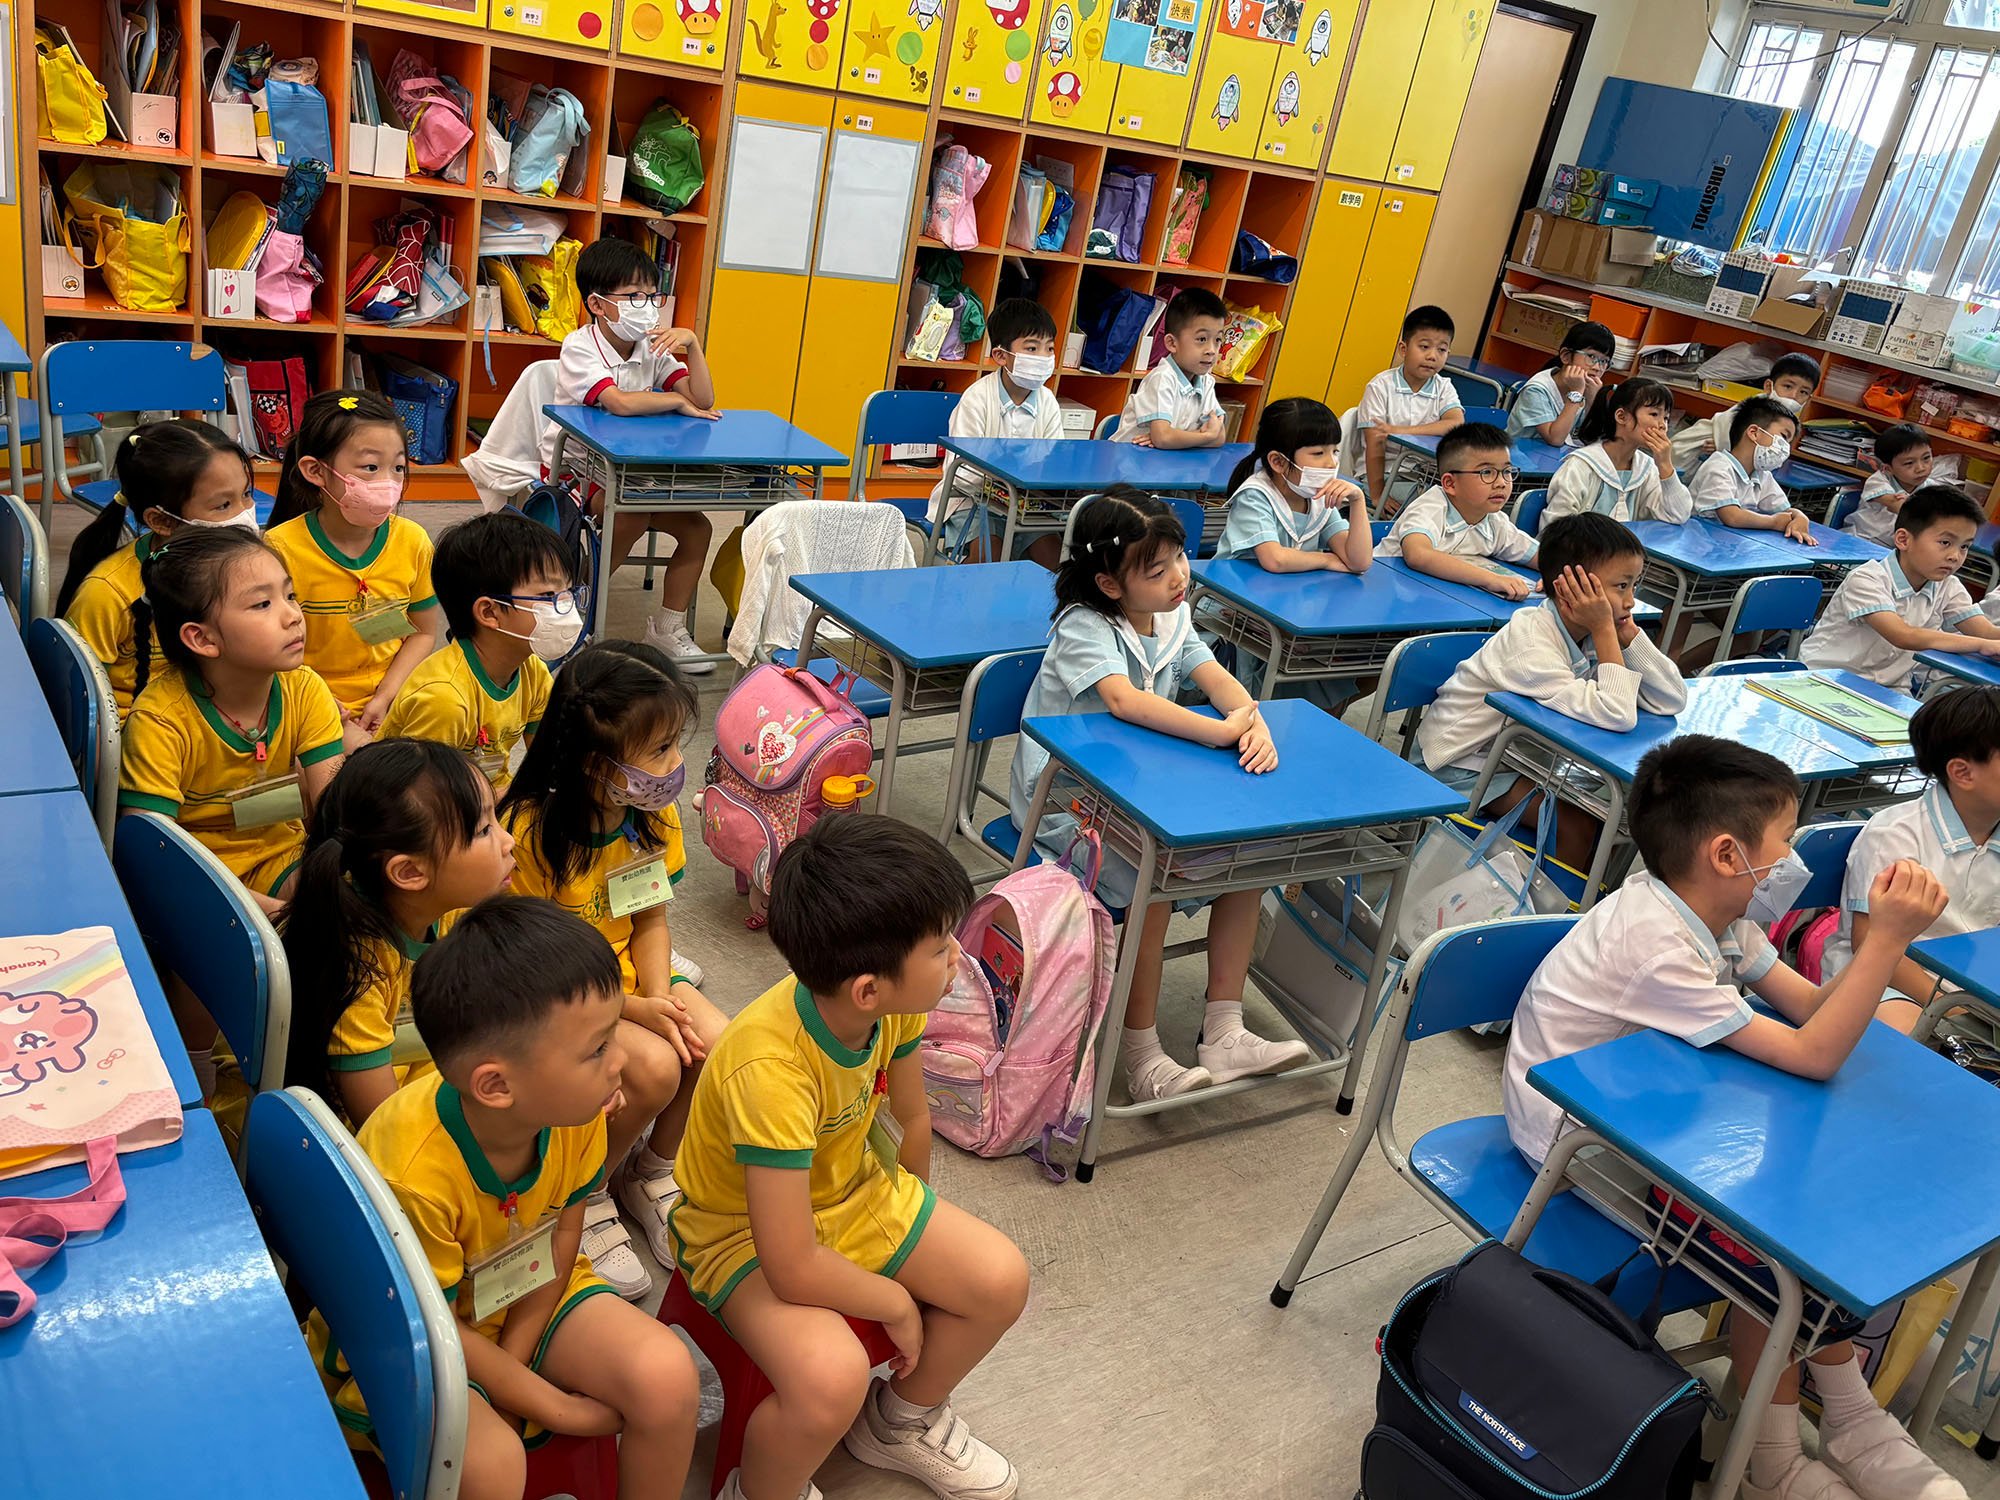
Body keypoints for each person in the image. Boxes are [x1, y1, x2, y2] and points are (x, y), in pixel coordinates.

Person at [1504, 735, 1960, 1500]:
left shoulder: (1716, 918)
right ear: (1726, 854)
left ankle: (1844, 1416)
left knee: (1806, 1189)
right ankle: (1775, 1458)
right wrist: (1884, 942)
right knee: (1778, 1237)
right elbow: (1815, 1053)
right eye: (1784, 840)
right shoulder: (1657, 942)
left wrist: (1876, 958)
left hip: (1657, 1112)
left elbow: (1811, 1010)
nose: (1791, 860)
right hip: (1581, 1145)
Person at [666, 815, 1029, 1500]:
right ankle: (761, 1492)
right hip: (740, 1236)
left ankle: (900, 1420)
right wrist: (895, 1300)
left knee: (1000, 1280)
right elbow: (790, 1262)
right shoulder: (770, 1070)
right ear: (868, 988)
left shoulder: (893, 1006)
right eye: (940, 946)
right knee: (830, 1380)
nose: (958, 956)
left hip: (853, 1193)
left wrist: (915, 1225)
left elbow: (910, 1119)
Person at [312, 896, 700, 1500]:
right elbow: (432, 1325)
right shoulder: (413, 1176)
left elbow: (564, 1235)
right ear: (495, 1086)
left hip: (526, 1295)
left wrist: (515, 1367)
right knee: (492, 1465)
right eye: (598, 1048)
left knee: (668, 1378)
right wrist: (551, 1405)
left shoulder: (576, 1109)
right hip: (414, 1335)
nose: (621, 1060)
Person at [1010, 486, 1307, 1101]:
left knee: (1248, 859)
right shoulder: (1084, 626)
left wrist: (1252, 722)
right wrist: (1219, 731)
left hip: (1144, 786)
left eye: (1179, 558)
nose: (1178, 577)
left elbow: (1215, 677)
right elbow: (1124, 700)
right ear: (1109, 584)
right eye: (1156, 570)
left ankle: (1224, 1032)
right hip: (1067, 797)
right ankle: (1143, 1056)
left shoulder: (1171, 615)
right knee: (1155, 881)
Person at [498, 639, 726, 1300]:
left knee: (713, 1045)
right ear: (598, 766)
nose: (676, 765)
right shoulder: (530, 833)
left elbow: (650, 918)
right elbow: (534, 964)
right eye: (660, 750)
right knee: (653, 1069)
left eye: (676, 744)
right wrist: (634, 1010)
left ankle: (648, 1170)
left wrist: (659, 999)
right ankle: (586, 1187)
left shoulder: (649, 815)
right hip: (556, 993)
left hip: (630, 981)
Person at [1415, 513, 1685, 870]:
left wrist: (1628, 634)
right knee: (1577, 823)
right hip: (1460, 764)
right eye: (1621, 586)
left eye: (1634, 585)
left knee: (1619, 812)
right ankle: (1551, 903)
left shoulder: (1585, 630)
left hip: (1523, 756)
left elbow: (1671, 698)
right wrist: (1606, 630)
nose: (1631, 601)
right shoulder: (1532, 645)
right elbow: (1618, 714)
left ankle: (1583, 890)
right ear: (1571, 588)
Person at [279, 739, 518, 1123]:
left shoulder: (447, 915)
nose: (509, 841)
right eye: (483, 830)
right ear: (409, 872)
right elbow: (383, 1128)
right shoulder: (360, 971)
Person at [117, 527, 345, 916]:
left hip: (281, 859)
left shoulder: (304, 688)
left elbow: (336, 811)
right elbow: (153, 855)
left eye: (290, 595)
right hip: (197, 879)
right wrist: (275, 916)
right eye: (262, 604)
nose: (293, 616)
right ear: (202, 639)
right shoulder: (161, 721)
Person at [540, 236, 720, 673]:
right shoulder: (580, 346)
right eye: (634, 296)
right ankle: (576, 611)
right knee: (630, 513)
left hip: (634, 470)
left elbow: (704, 398)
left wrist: (693, 345)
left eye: (652, 296)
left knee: (698, 528)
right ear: (598, 304)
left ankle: (667, 629)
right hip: (577, 471)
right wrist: (673, 401)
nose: (648, 306)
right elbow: (618, 402)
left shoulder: (649, 347)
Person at [265, 390, 441, 751]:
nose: (388, 482)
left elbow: (423, 633)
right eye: (371, 467)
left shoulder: (413, 541)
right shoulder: (280, 549)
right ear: (316, 471)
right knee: (370, 764)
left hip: (395, 693)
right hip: (309, 698)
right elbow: (268, 652)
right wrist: (321, 701)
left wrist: (386, 696)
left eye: (398, 467)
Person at [58, 419, 259, 722]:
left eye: (246, 494)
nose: (244, 515)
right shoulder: (107, 594)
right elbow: (74, 700)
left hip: (213, 723)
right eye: (223, 505)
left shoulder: (248, 568)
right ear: (162, 521)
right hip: (139, 731)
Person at [1823, 687, 2000, 1012]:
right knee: (1899, 1018)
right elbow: (1869, 943)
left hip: (1970, 986)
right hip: (1885, 982)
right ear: (1962, 773)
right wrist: (1953, 1010)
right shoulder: (1895, 836)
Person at [381, 511, 577, 789]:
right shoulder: (444, 700)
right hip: (436, 806)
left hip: (488, 798)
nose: (565, 606)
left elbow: (547, 764)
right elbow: (424, 801)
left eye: (567, 592)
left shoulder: (531, 670)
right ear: (489, 612)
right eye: (548, 596)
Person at [1799, 485, 2000, 692]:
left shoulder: (1949, 587)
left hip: (1891, 688)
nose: (1955, 556)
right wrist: (1981, 644)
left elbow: (1986, 632)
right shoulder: (1867, 579)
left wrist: (1989, 641)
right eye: (1945, 542)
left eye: (1964, 546)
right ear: (1903, 540)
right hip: (1824, 679)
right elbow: (1903, 635)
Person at [927, 296, 1066, 566]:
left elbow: (1053, 460)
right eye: (1032, 348)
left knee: (1055, 561)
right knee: (987, 559)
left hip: (1027, 505)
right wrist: (1007, 485)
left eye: (1049, 348)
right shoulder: (977, 398)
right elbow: (962, 471)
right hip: (972, 500)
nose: (1044, 357)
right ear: (1001, 356)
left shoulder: (1047, 400)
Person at [1376, 421, 1539, 600]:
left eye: (1507, 471)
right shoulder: (1431, 508)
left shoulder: (1496, 522)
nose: (1501, 482)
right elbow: (1418, 555)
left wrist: (1556, 574)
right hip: (1382, 592)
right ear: (1450, 484)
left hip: (1432, 600)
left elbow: (1540, 556)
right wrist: (1491, 579)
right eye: (1486, 472)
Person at [1215, 396, 1371, 575]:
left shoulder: (1318, 498)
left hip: (1282, 589)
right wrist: (1327, 560)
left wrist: (1357, 501)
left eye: (1335, 451)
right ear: (1278, 462)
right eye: (1318, 453)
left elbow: (1359, 562)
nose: (1332, 463)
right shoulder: (1254, 496)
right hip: (1231, 589)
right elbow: (1275, 560)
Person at [1356, 305, 1466, 505]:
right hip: (1383, 475)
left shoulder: (1444, 387)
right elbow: (1375, 445)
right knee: (1437, 504)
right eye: (1424, 347)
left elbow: (1455, 423)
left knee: (1467, 497)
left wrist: (1399, 431)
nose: (1432, 356)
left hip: (1425, 476)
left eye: (1441, 350)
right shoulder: (1380, 387)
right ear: (1403, 349)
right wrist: (1378, 495)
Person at [1544, 379, 1692, 524]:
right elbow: (1556, 527)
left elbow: (1679, 515)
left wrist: (1665, 464)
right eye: (1654, 414)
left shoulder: (1647, 468)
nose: (1662, 425)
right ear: (1621, 417)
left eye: (1666, 418)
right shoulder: (1581, 465)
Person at [1113, 287, 1229, 450]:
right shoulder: (1162, 378)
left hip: (1163, 458)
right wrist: (1204, 436)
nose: (1212, 350)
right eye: (1202, 339)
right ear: (1172, 343)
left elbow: (1220, 437)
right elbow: (1163, 438)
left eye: (1217, 340)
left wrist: (1180, 437)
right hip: (1128, 457)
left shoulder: (1206, 381)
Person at [1670, 351, 1821, 474]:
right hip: (1690, 451)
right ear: (1769, 387)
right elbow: (1725, 427)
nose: (1794, 396)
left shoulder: (1787, 420)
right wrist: (1724, 447)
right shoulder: (1755, 407)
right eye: (1788, 386)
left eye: (1803, 392)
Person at [1689, 396, 1813, 543]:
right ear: (1754, 432)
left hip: (1725, 544)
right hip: (1699, 544)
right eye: (1784, 437)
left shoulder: (1762, 475)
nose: (1785, 448)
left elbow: (1784, 511)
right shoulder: (1719, 466)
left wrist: (1800, 517)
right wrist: (1773, 522)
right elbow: (1732, 516)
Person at [1506, 320, 1613, 446]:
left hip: (1554, 455)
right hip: (1518, 452)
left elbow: (1598, 439)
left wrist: (1593, 400)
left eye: (1604, 361)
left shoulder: (1588, 389)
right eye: (1591, 357)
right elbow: (1555, 439)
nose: (1597, 367)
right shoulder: (1536, 389)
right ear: (1566, 356)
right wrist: (1576, 394)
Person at [1845, 423, 1933, 546]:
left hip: (1894, 548)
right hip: (1860, 539)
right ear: (1888, 468)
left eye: (1926, 458)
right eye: (1909, 463)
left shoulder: (1932, 488)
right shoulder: (1877, 481)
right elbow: (1896, 505)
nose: (1921, 468)